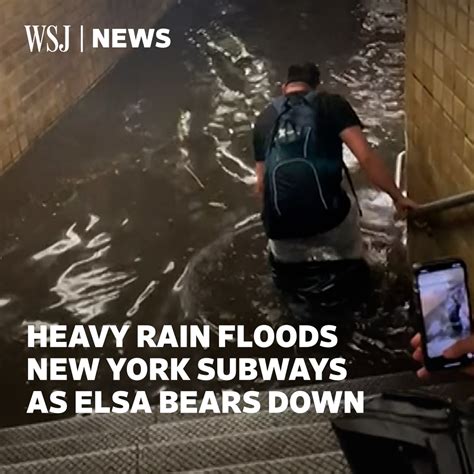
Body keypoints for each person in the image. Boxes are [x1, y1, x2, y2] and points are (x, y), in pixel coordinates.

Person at [252, 62, 417, 319]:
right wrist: (398, 197)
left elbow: (261, 185)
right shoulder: (330, 104)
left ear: (284, 87)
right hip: (331, 219)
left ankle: (294, 319)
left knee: (290, 285)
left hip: (280, 226)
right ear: (316, 85)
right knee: (353, 257)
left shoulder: (264, 119)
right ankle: (363, 302)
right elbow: (365, 158)